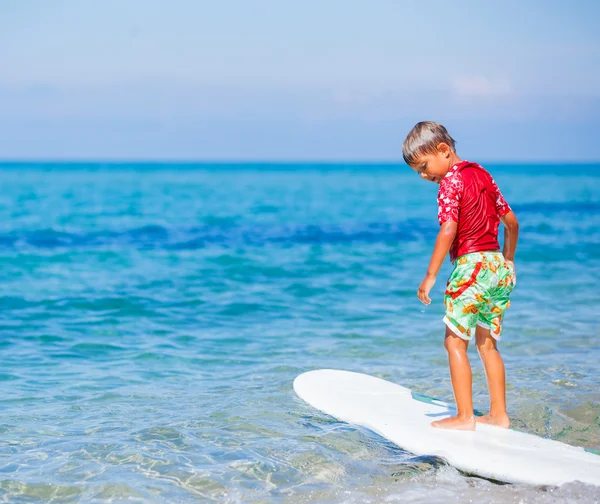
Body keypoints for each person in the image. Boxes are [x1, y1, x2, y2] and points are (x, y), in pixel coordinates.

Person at [402, 121, 519, 430]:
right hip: (496, 267)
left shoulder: (450, 183)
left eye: (425, 166)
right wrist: (508, 260)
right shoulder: (482, 174)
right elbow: (512, 222)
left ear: (443, 150)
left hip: (471, 267)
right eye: (419, 173)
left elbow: (449, 229)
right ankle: (499, 415)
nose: (425, 176)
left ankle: (465, 416)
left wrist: (430, 275)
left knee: (454, 343)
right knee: (487, 344)